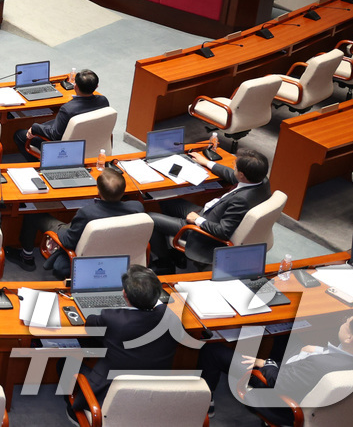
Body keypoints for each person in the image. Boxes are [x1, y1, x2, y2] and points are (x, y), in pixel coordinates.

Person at [198, 310, 353, 424]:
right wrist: (318, 350)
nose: (343, 322)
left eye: (346, 323)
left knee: (212, 350)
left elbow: (278, 381)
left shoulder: (318, 365)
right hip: (304, 378)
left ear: (349, 338)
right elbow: (323, 362)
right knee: (284, 333)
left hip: (280, 396)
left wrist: (264, 362)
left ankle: (207, 404)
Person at [70, 266, 179, 421]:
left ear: (124, 294)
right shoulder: (171, 318)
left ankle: (75, 413)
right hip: (153, 394)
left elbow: (90, 324)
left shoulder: (113, 318)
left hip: (110, 396)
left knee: (65, 363)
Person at [149, 149, 270, 268]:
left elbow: (223, 232)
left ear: (242, 175)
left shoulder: (241, 200)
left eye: (235, 167)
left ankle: (165, 262)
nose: (233, 167)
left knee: (150, 219)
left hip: (200, 231)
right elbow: (230, 174)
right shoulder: (261, 181)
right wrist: (207, 162)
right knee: (166, 201)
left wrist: (197, 220)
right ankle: (174, 251)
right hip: (209, 213)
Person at [16, 167, 144, 275]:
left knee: (32, 214)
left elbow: (68, 241)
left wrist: (60, 232)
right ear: (123, 191)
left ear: (98, 190)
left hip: (80, 248)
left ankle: (26, 257)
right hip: (120, 251)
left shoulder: (87, 213)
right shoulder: (137, 207)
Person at [13, 68, 108, 153]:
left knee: (20, 135)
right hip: (93, 141)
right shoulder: (103, 101)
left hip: (65, 149)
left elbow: (55, 136)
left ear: (75, 87)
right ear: (96, 87)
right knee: (47, 123)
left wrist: (35, 128)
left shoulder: (68, 109)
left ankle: (39, 165)